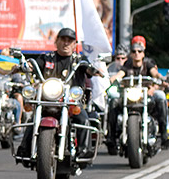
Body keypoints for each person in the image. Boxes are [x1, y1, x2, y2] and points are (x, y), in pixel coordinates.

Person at [19, 27, 96, 157]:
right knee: (34, 119)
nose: (66, 43)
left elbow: (88, 69)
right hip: (48, 100)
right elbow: (34, 65)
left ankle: (84, 150)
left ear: (74, 44)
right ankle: (25, 149)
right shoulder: (47, 58)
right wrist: (25, 66)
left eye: (70, 40)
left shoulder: (79, 60)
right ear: (57, 41)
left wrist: (93, 70)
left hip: (71, 102)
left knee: (83, 119)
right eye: (63, 39)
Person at [109, 35, 168, 148]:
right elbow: (120, 74)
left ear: (143, 53)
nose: (136, 53)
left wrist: (161, 78)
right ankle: (111, 136)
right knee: (113, 100)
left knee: (160, 97)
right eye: (134, 51)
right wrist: (112, 78)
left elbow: (155, 73)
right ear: (130, 53)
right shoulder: (128, 64)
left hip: (147, 94)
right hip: (130, 95)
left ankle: (164, 134)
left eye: (139, 51)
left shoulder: (148, 63)